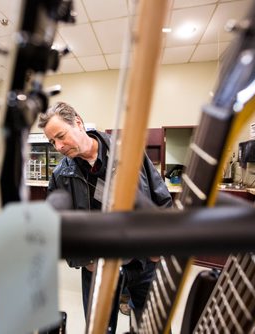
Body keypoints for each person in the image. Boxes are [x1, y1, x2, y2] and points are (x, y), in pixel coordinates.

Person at [38, 102, 172, 333]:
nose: (58, 146)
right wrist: (86, 262)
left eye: (61, 136)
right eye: (52, 142)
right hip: (97, 270)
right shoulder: (61, 175)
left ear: (78, 123)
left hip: (144, 264)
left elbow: (162, 199)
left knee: (154, 326)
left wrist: (158, 250)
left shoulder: (129, 156)